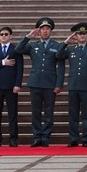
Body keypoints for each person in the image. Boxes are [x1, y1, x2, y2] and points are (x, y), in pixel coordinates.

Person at [14, 17, 66, 147]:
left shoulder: (57, 45)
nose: (45, 31)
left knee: (49, 112)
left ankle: (46, 136)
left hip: (50, 83)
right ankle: (37, 137)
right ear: (39, 31)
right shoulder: (33, 45)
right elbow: (18, 50)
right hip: (35, 82)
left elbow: (61, 66)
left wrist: (59, 84)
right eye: (42, 29)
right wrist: (28, 37)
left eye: (47, 29)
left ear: (51, 31)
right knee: (36, 111)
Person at [60, 22, 87, 147]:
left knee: (86, 114)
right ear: (75, 36)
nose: (82, 36)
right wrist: (66, 42)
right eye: (79, 34)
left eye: (84, 33)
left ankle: (86, 138)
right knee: (73, 113)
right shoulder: (71, 49)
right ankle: (73, 138)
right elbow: (58, 55)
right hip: (73, 85)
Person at [0, 26, 23, 147]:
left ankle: (13, 138)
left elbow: (20, 68)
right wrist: (3, 62)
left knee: (12, 114)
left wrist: (17, 84)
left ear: (11, 36)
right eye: (1, 34)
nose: (4, 36)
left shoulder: (16, 49)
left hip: (11, 86)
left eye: (6, 34)